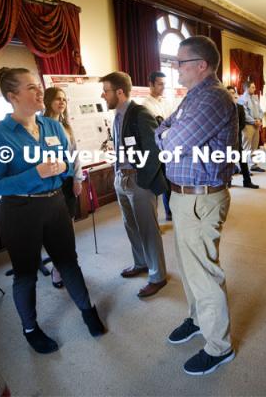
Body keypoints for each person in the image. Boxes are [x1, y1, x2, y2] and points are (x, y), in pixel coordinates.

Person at [0, 67, 105, 354]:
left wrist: (63, 169)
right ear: (13, 96)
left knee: (68, 261)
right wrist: (34, 173)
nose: (40, 92)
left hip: (54, 204)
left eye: (39, 86)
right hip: (19, 209)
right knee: (26, 274)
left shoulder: (52, 127)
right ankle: (30, 329)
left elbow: (65, 159)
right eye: (31, 88)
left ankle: (88, 311)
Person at [155, 36, 237, 375]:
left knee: (203, 273)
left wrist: (167, 136)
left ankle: (220, 347)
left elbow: (171, 141)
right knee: (189, 269)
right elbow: (163, 127)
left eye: (180, 62)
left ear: (201, 65)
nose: (175, 68)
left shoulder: (214, 98)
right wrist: (167, 134)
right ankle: (197, 318)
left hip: (201, 198)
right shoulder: (194, 96)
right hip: (183, 195)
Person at [100, 71, 168, 298]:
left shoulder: (140, 113)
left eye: (106, 90)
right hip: (122, 178)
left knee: (148, 229)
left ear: (119, 92)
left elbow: (155, 150)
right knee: (130, 225)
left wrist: (144, 180)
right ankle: (140, 263)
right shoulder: (117, 116)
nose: (103, 95)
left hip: (139, 180)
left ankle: (157, 276)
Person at [43, 87, 84, 289]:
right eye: (58, 99)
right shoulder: (40, 125)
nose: (61, 103)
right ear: (48, 100)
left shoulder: (67, 126)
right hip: (49, 184)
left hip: (67, 182)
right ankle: (57, 268)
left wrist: (78, 179)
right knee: (53, 231)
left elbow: (75, 154)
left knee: (68, 227)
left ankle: (64, 266)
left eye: (64, 100)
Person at [142, 71, 174, 221]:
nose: (163, 87)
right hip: (154, 149)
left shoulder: (166, 102)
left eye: (164, 84)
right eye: (160, 84)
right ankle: (153, 220)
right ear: (151, 84)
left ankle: (169, 212)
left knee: (169, 181)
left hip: (168, 146)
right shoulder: (145, 105)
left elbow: (170, 123)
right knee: (156, 184)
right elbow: (157, 126)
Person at [226, 86, 259, 189]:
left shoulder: (239, 107)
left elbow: (243, 123)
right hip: (225, 140)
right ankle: (228, 181)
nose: (231, 94)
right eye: (229, 92)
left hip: (237, 139)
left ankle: (247, 181)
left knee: (243, 161)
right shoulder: (221, 107)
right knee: (228, 162)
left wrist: (234, 131)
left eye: (233, 92)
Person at [238, 80, 265, 172]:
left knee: (254, 146)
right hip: (248, 126)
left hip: (256, 125)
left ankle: (253, 165)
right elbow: (244, 114)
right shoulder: (241, 99)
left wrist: (260, 119)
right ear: (247, 88)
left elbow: (260, 110)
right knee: (246, 147)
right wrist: (254, 121)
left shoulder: (255, 98)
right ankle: (244, 168)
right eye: (253, 87)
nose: (255, 88)